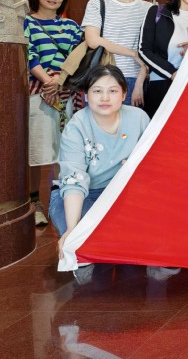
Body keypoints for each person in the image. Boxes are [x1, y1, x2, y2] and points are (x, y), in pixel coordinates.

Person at [49, 65, 151, 284]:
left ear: (123, 94)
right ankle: (84, 256)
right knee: (81, 231)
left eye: (113, 91)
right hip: (84, 195)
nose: (105, 98)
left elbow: (152, 165)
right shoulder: (77, 126)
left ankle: (145, 254)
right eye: (97, 91)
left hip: (124, 195)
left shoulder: (139, 118)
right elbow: (74, 180)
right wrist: (73, 230)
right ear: (86, 96)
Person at [24, 0, 84, 226]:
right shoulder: (26, 22)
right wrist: (47, 80)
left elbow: (79, 55)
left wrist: (60, 79)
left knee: (64, 151)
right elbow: (29, 54)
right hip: (37, 94)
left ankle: (59, 202)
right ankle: (34, 203)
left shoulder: (71, 26)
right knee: (36, 151)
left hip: (65, 94)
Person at [82, 0, 151, 106]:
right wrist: (132, 53)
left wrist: (140, 82)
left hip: (134, 79)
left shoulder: (149, 8)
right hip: (101, 78)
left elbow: (150, 50)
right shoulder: (97, 3)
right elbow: (92, 40)